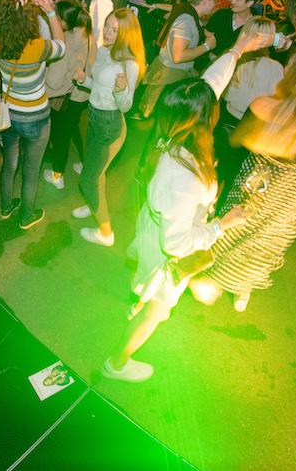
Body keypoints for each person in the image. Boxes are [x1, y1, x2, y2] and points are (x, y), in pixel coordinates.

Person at [100, 79, 247, 382]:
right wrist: (221, 225)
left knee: (146, 288)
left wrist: (238, 48)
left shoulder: (172, 138)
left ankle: (140, 298)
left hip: (156, 232)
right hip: (167, 254)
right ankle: (116, 365)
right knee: (157, 314)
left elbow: (211, 83)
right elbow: (177, 243)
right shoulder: (185, 175)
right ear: (205, 118)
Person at [192, 48, 296, 312]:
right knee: (267, 238)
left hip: (259, 178)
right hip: (291, 186)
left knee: (236, 226)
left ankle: (214, 279)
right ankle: (243, 288)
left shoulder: (264, 105)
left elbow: (237, 140)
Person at [0, 0, 65, 229]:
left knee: (9, 165)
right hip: (36, 119)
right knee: (31, 171)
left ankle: (5, 208)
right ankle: (26, 216)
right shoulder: (37, 46)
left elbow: (7, 4)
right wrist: (52, 13)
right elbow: (61, 46)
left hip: (10, 116)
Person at [75, 8, 145, 247]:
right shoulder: (105, 50)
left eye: (115, 29)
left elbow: (126, 106)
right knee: (95, 172)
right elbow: (96, 85)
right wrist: (84, 80)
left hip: (110, 125)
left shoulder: (130, 65)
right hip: (94, 116)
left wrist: (119, 91)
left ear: (126, 34)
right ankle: (94, 203)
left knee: (87, 180)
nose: (108, 31)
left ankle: (106, 233)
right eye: (107, 25)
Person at [135, 0, 218, 119]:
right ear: (204, 1)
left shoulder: (186, 10)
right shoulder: (187, 20)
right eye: (214, 0)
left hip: (167, 70)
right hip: (170, 74)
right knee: (162, 116)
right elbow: (178, 56)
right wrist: (207, 46)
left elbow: (173, 7)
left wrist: (155, 5)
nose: (215, 3)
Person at [42, 0, 92, 190]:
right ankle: (81, 165)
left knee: (59, 137)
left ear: (63, 21)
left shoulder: (66, 42)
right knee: (73, 131)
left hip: (61, 97)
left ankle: (57, 176)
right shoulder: (86, 33)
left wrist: (44, 68)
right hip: (80, 95)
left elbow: (54, 81)